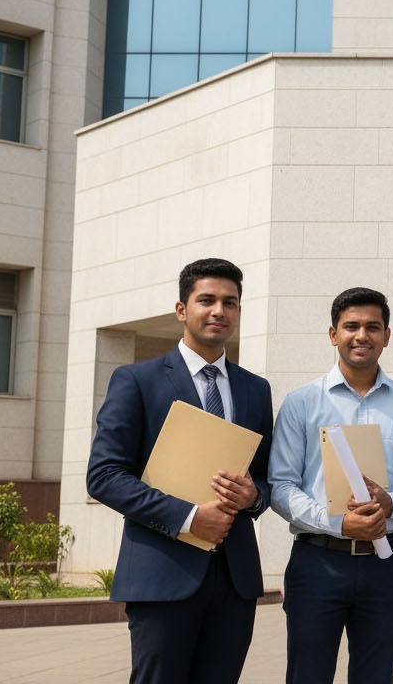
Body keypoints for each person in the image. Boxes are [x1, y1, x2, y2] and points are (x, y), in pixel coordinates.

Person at [86, 258, 272, 684]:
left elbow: (263, 476)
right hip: (162, 573)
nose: (219, 311)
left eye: (230, 302)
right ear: (181, 309)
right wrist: (189, 518)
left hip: (235, 578)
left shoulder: (255, 388)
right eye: (206, 300)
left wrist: (254, 496)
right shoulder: (136, 380)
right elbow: (104, 475)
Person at [268, 287, 393, 683]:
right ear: (332, 334)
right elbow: (281, 487)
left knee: (377, 676)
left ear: (387, 336)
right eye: (351, 326)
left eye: (372, 327)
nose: (361, 335)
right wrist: (339, 523)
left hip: (386, 563)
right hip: (317, 561)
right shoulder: (301, 402)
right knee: (308, 675)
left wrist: (391, 503)